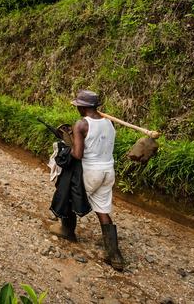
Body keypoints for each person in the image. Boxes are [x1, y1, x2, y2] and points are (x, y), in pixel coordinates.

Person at [52, 90, 126, 270]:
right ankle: (114, 254)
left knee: (68, 194)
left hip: (91, 171)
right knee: (102, 209)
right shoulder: (109, 123)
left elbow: (78, 154)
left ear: (84, 107)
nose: (77, 109)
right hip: (108, 171)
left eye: (78, 106)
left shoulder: (81, 124)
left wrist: (64, 149)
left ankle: (67, 231)